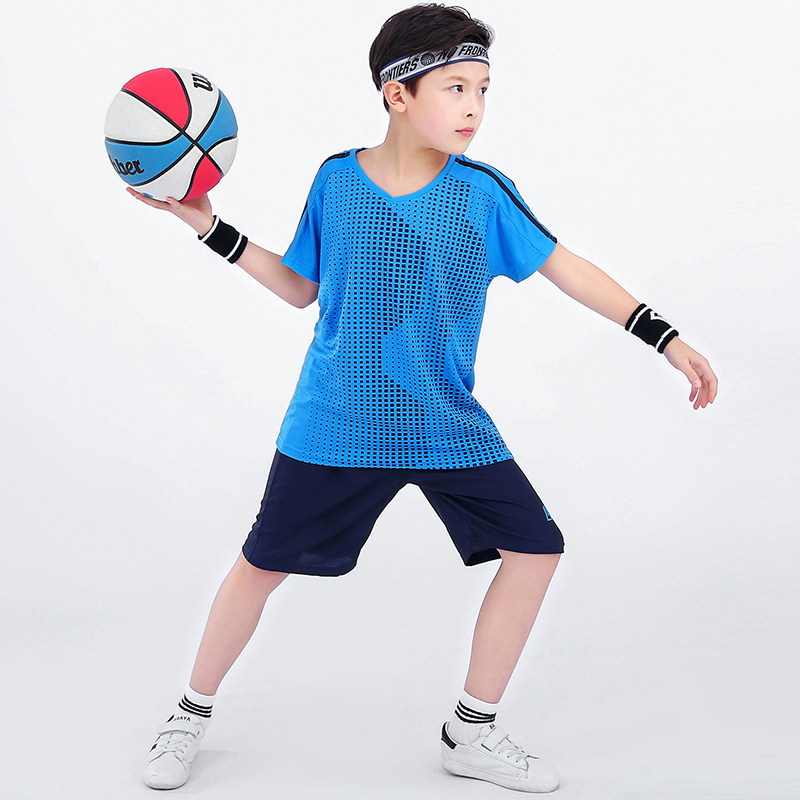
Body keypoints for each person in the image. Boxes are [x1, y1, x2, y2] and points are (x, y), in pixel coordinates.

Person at [128, 3, 718, 793]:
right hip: (336, 425)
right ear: (397, 94)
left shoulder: (483, 193)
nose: (474, 107)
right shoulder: (336, 180)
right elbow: (302, 289)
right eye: (455, 87)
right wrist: (210, 227)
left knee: (537, 548)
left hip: (443, 424)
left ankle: (471, 732)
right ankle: (188, 715)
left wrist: (663, 335)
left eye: (483, 89)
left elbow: (567, 267)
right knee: (259, 565)